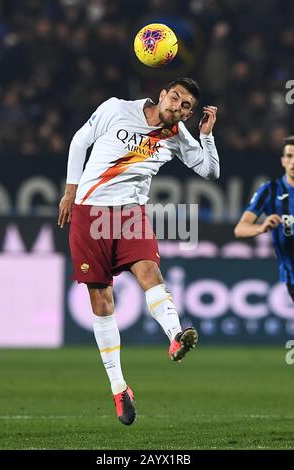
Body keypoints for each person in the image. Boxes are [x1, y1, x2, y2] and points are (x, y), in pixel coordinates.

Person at [58, 77, 220, 425]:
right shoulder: (116, 108)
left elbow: (210, 170)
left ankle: (176, 337)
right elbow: (79, 141)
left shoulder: (177, 136)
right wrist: (70, 191)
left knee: (150, 273)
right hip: (89, 210)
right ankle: (119, 389)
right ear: (162, 95)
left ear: (189, 114)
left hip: (131, 214)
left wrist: (206, 135)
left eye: (186, 106)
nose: (177, 106)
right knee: (101, 301)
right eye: (175, 97)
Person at [234, 135, 294, 302]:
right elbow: (240, 229)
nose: (293, 162)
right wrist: (261, 228)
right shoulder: (270, 191)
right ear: (283, 160)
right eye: (289, 156)